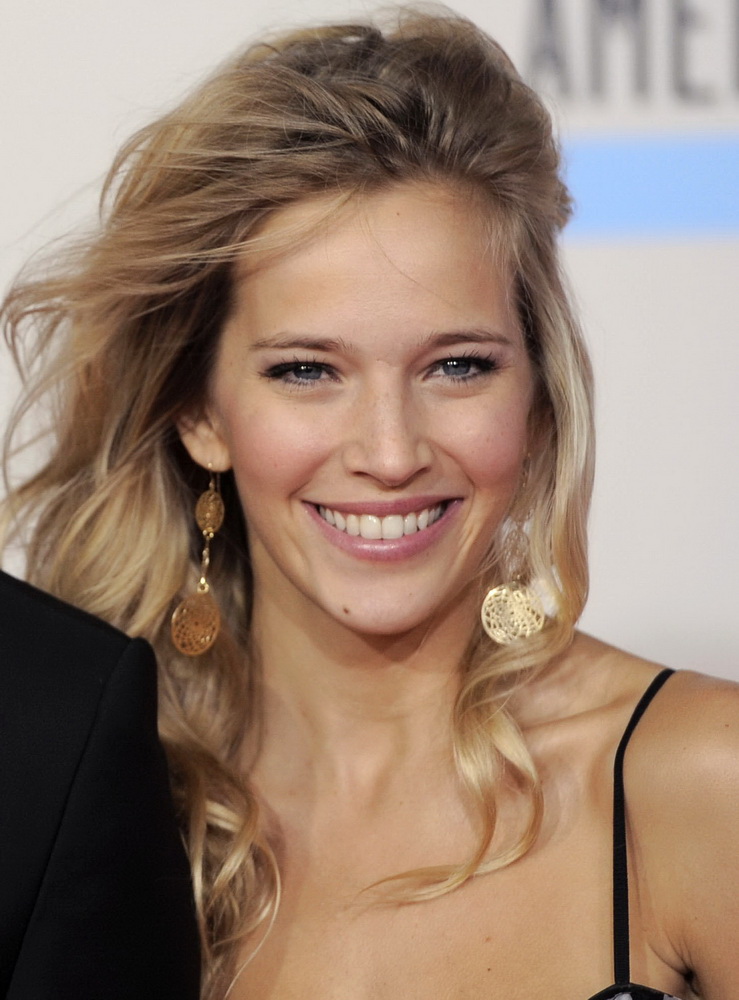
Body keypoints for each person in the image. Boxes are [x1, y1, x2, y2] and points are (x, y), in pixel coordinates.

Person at [1, 8, 737, 1000]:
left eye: (458, 366)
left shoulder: (697, 780)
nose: (390, 453)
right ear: (199, 413)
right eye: (307, 370)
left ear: (536, 397)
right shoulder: (92, 807)